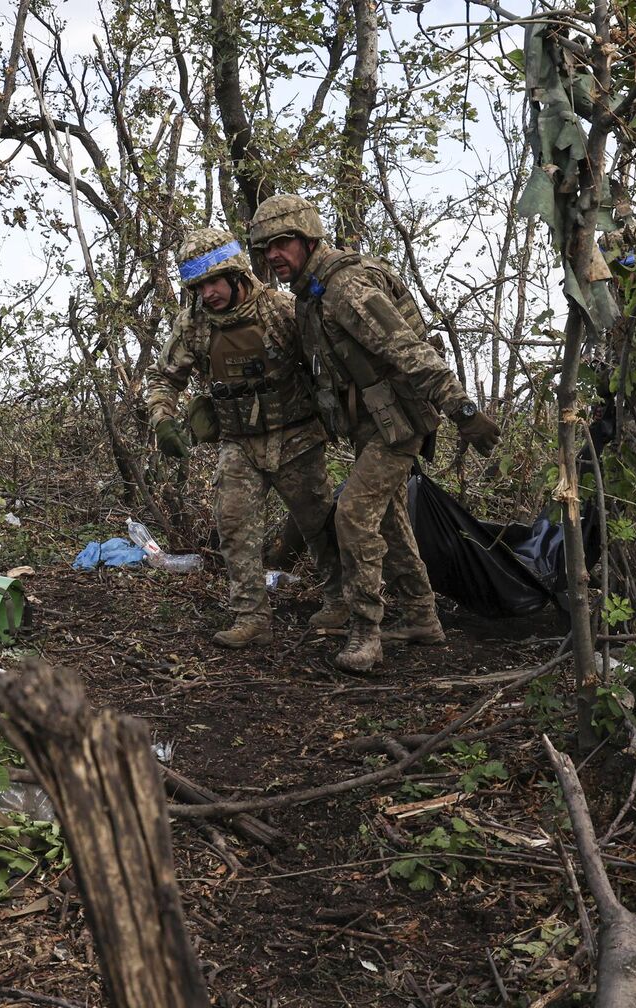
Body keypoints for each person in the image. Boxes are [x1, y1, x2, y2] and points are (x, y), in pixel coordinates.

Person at [246, 195, 501, 673]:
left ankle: (366, 631)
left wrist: (463, 409)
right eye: (265, 249)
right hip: (371, 421)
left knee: (353, 514)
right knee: (389, 519)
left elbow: (409, 351)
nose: (273, 256)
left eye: (282, 243)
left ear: (308, 238)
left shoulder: (346, 287)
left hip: (398, 421)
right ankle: (423, 618)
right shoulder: (309, 294)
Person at [142, 227, 341, 648]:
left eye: (215, 282)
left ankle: (340, 603)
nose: (209, 293)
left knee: (319, 524)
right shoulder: (194, 325)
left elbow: (326, 361)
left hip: (296, 436)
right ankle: (251, 617)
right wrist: (162, 418)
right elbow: (163, 377)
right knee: (233, 525)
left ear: (235, 275)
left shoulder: (279, 309)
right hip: (239, 442)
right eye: (199, 285)